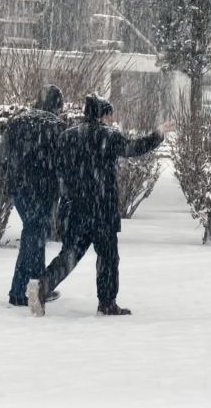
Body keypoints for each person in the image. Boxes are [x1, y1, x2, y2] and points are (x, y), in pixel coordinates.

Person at [26, 93, 165, 317]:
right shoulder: (108, 136)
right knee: (108, 257)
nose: (111, 119)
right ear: (102, 114)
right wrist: (157, 135)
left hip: (73, 208)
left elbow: (56, 168)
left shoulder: (67, 136)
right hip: (102, 208)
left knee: (70, 254)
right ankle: (107, 303)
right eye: (109, 114)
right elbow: (133, 148)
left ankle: (43, 285)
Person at [0, 84, 67, 306]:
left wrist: (8, 180)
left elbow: (2, 154)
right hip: (43, 190)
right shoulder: (56, 126)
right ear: (57, 105)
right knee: (34, 235)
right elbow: (62, 163)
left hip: (19, 188)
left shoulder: (18, 121)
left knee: (34, 234)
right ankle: (23, 291)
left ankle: (36, 287)